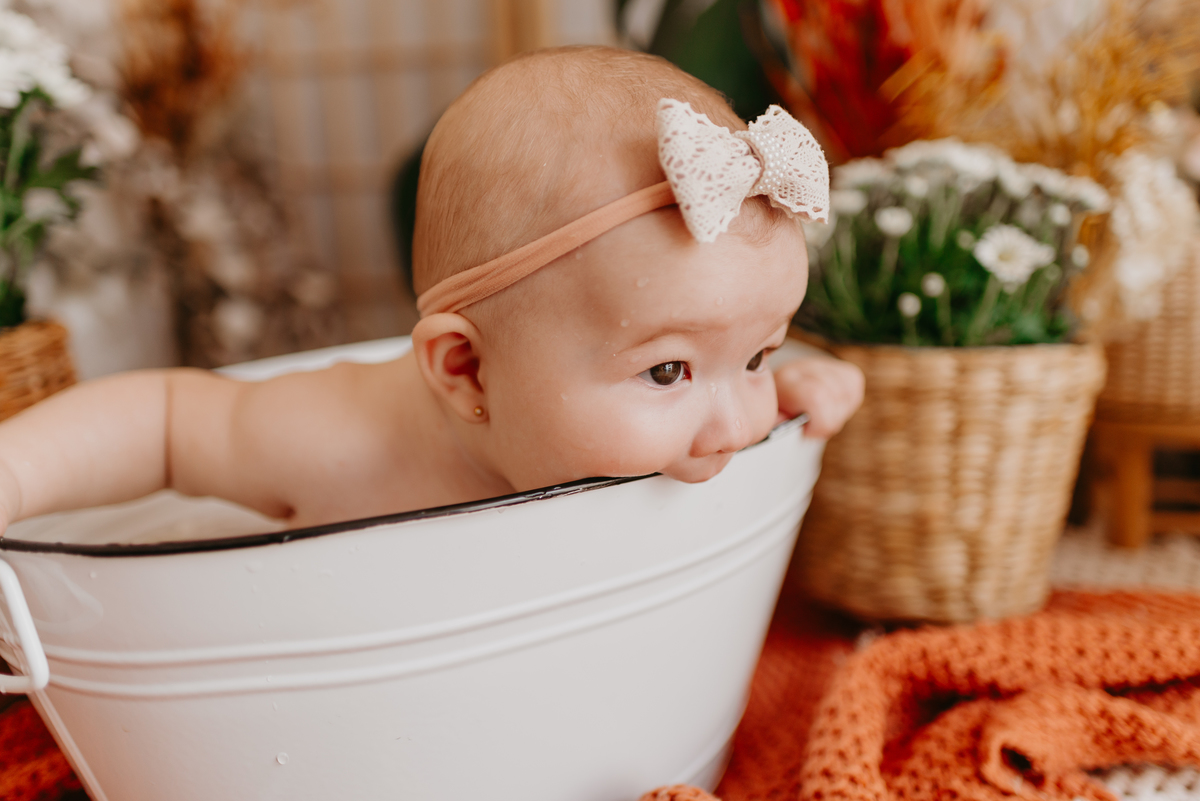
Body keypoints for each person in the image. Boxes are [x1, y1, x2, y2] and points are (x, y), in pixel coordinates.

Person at [0, 46, 863, 534]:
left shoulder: (706, 416)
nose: (737, 427)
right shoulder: (339, 443)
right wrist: (17, 474)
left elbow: (727, 397)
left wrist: (787, 392)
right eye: (669, 370)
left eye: (758, 352)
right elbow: (163, 425)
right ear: (465, 370)